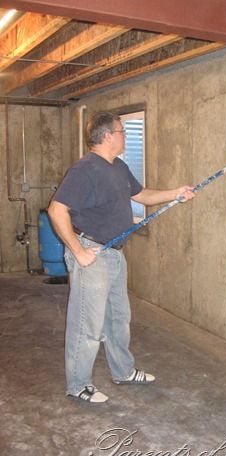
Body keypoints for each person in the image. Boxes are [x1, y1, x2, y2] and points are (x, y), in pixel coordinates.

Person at [48, 111, 195, 404]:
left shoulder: (118, 167)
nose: (125, 135)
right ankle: (78, 384)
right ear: (107, 136)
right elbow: (56, 210)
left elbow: (142, 195)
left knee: (118, 318)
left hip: (115, 255)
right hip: (92, 253)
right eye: (121, 131)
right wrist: (78, 251)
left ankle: (123, 371)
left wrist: (175, 194)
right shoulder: (85, 170)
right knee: (86, 325)